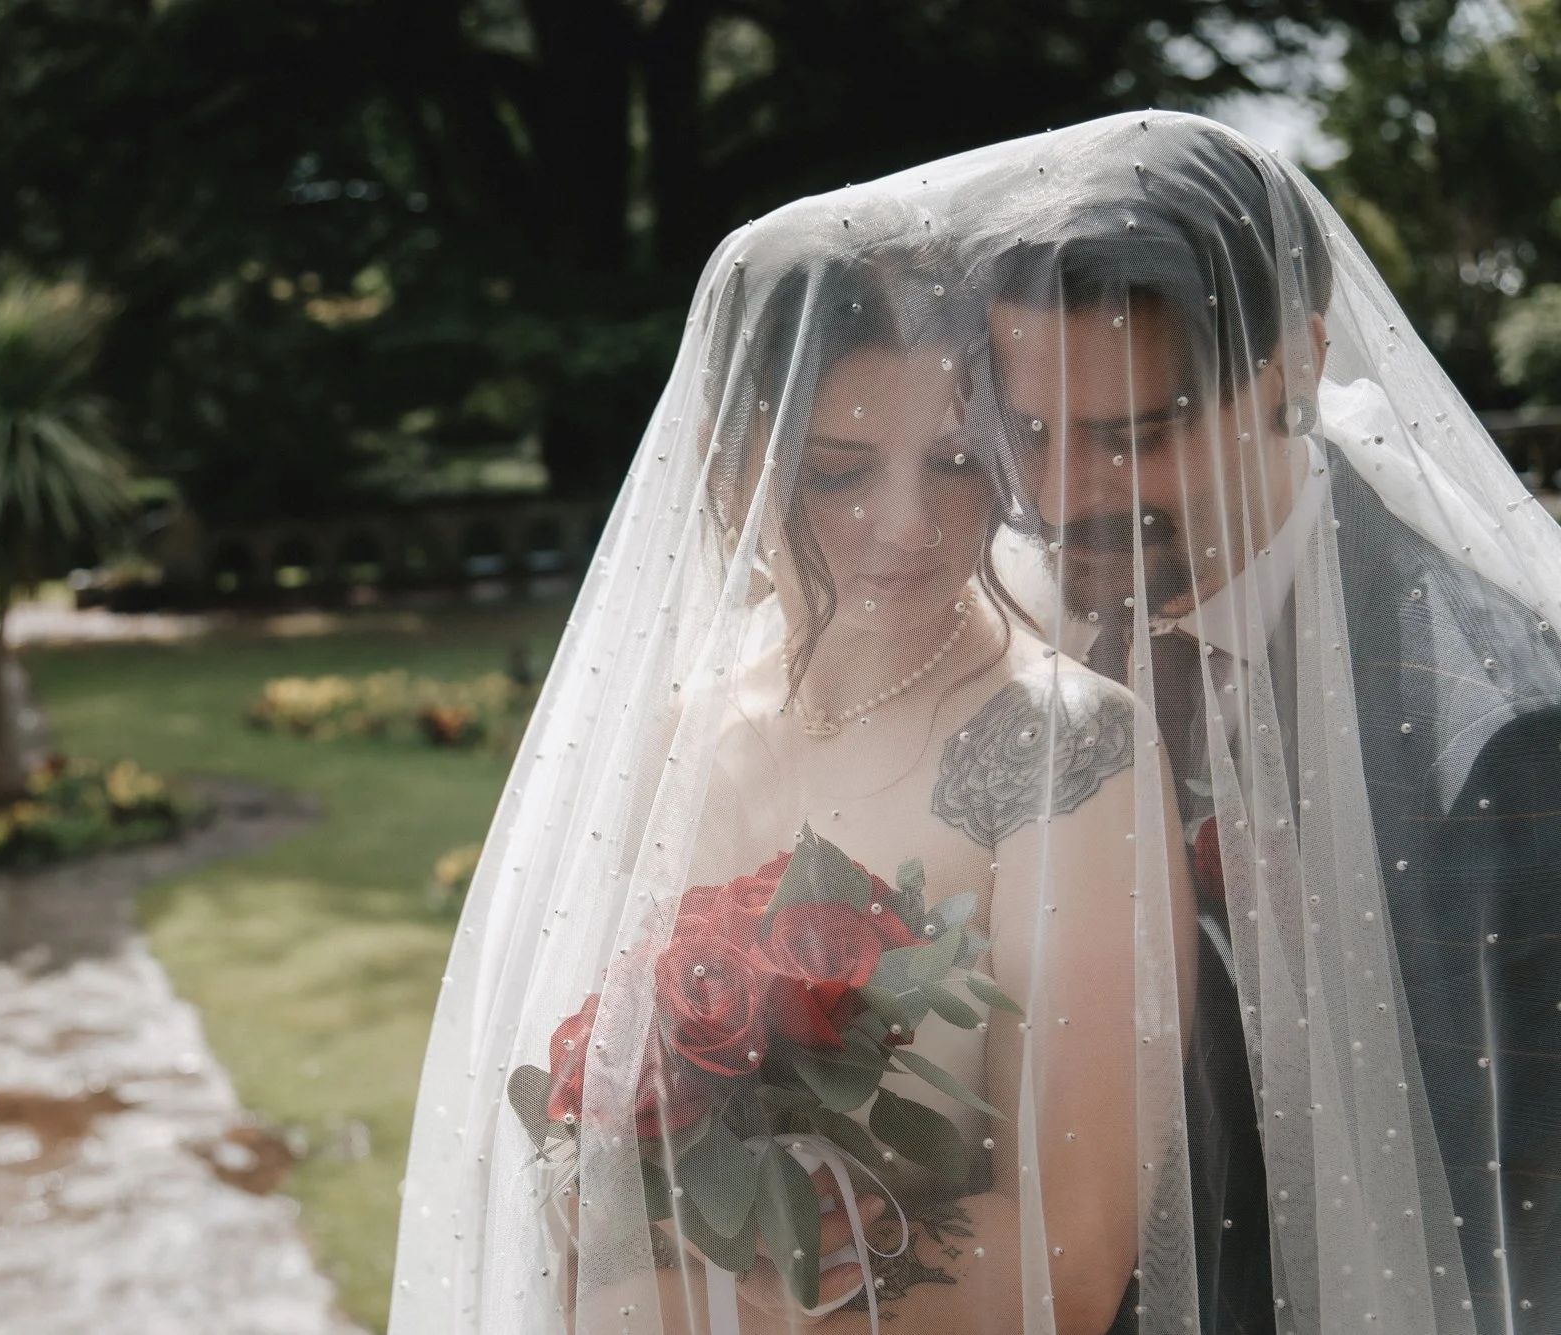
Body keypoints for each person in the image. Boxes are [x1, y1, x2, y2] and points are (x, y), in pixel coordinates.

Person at [392, 194, 1195, 1333]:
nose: (907, 524)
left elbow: (1069, 1254)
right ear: (730, 476)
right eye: (837, 472)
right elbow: (576, 1165)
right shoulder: (677, 732)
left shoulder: (1068, 747)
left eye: (956, 461)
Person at [973, 113, 1561, 1333]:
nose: (1061, 497)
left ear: (1292, 368)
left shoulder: (1492, 741)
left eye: (1132, 438)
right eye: (1030, 433)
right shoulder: (989, 629)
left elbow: (1516, 1243)